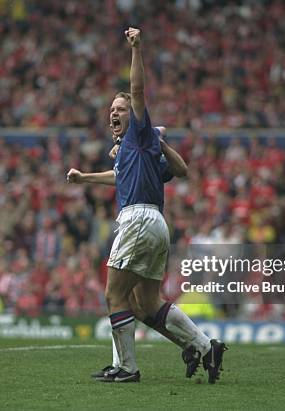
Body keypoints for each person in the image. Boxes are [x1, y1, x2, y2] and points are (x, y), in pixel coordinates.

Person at [68, 28, 226, 384]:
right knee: (143, 304)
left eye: (121, 108)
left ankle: (126, 367)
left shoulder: (141, 134)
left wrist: (136, 49)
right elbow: (119, 176)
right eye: (112, 109)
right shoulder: (132, 151)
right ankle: (203, 347)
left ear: (134, 116)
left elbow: (138, 91)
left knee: (114, 294)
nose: (115, 112)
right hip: (154, 222)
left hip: (138, 219)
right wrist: (84, 179)